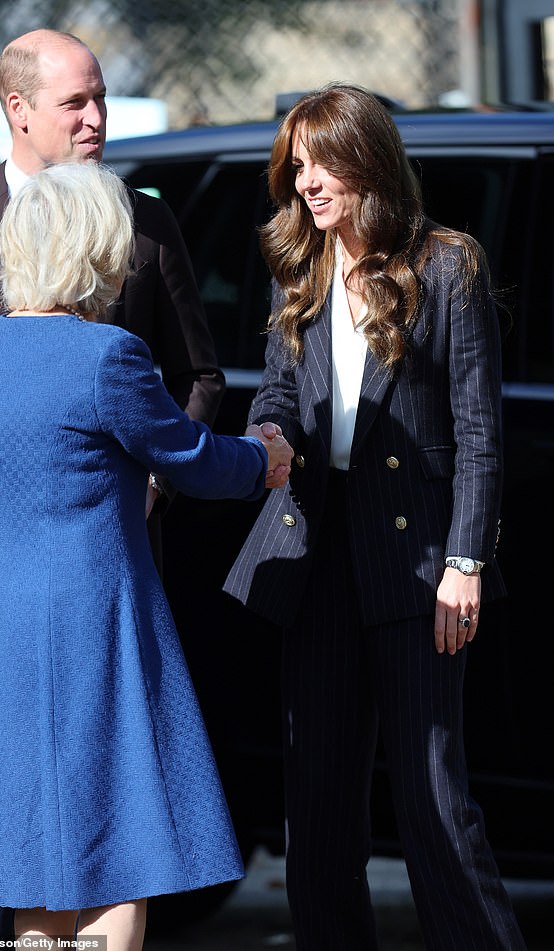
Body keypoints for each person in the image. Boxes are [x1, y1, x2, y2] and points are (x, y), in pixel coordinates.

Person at [0, 28, 225, 937]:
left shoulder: (145, 217)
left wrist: (157, 481)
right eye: (75, 103)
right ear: (18, 112)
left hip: (105, 562)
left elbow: (197, 377)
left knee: (110, 798)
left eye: (102, 99)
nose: (98, 119)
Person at [0, 160, 292, 950]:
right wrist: (263, 459)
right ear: (94, 250)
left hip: (6, 623)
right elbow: (193, 458)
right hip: (100, 621)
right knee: (116, 851)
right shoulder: (108, 356)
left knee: (35, 860)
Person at [224, 83, 527, 950]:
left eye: (323, 163)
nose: (307, 183)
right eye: (297, 167)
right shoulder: (302, 267)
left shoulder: (447, 264)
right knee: (317, 804)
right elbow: (275, 397)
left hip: (417, 559)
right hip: (314, 556)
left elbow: (478, 430)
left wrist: (465, 560)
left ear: (368, 160)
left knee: (434, 795)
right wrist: (269, 435)